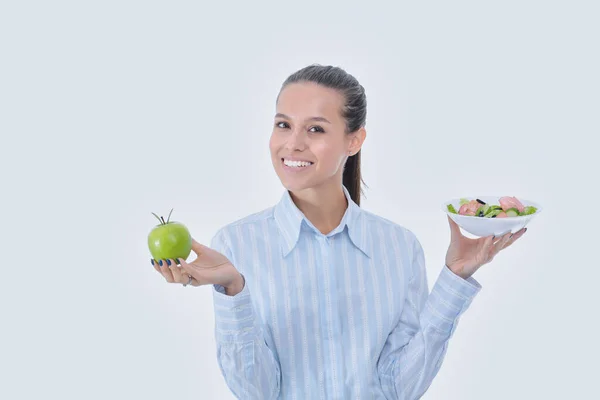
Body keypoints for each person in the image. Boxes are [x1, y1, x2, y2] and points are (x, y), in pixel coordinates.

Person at [152, 64, 527, 399]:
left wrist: (455, 279)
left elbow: (400, 388)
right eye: (284, 124)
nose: (293, 143)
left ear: (355, 140)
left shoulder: (398, 247)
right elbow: (257, 392)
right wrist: (234, 289)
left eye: (315, 128)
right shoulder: (236, 245)